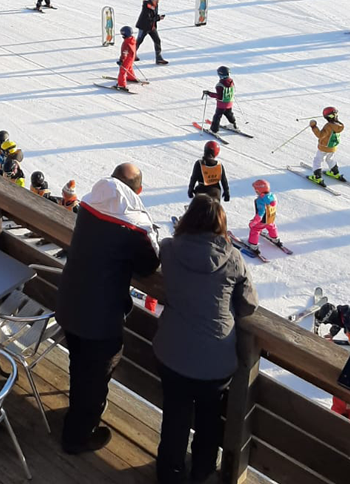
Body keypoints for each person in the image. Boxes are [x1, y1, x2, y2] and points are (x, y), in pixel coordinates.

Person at [55, 164, 160, 455]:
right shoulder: (133, 223)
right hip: (99, 317)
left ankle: (74, 417)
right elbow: (150, 262)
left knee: (79, 363)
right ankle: (78, 437)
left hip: (69, 301)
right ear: (138, 190)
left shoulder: (89, 203)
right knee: (97, 375)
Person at [154, 195, 258, 484]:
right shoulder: (233, 259)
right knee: (209, 419)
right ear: (221, 225)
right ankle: (202, 471)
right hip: (215, 360)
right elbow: (249, 305)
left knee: (175, 416)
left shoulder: (170, 249)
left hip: (171, 351)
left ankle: (169, 473)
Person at [309, 106, 346, 183]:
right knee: (330, 159)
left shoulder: (328, 126)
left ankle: (317, 176)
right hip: (333, 147)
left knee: (318, 160)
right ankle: (335, 172)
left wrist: (313, 127)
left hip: (324, 147)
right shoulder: (339, 125)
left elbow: (320, 135)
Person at [247, 179, 282, 255]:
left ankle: (253, 244)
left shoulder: (261, 200)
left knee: (255, 229)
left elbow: (261, 213)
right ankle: (274, 238)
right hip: (270, 218)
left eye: (256, 190)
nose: (255, 191)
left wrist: (254, 222)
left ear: (259, 190)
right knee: (271, 226)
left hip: (262, 221)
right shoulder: (272, 196)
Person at [136, 0, 168, 64]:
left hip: (152, 27)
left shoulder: (156, 5)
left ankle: (159, 58)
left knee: (157, 41)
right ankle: (131, 56)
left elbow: (153, 16)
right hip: (144, 26)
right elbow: (148, 18)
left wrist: (158, 17)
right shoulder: (147, 5)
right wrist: (158, 18)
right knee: (138, 41)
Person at [203, 66, 236, 135]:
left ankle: (214, 130)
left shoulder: (220, 85)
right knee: (228, 113)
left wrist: (209, 93)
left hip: (222, 104)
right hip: (230, 102)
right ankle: (233, 125)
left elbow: (219, 96)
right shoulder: (231, 82)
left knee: (217, 116)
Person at [116, 25, 137, 91]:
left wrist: (121, 60)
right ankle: (131, 78)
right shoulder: (132, 39)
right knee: (129, 68)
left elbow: (124, 53)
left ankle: (121, 85)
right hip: (132, 57)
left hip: (127, 58)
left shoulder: (126, 43)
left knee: (123, 70)